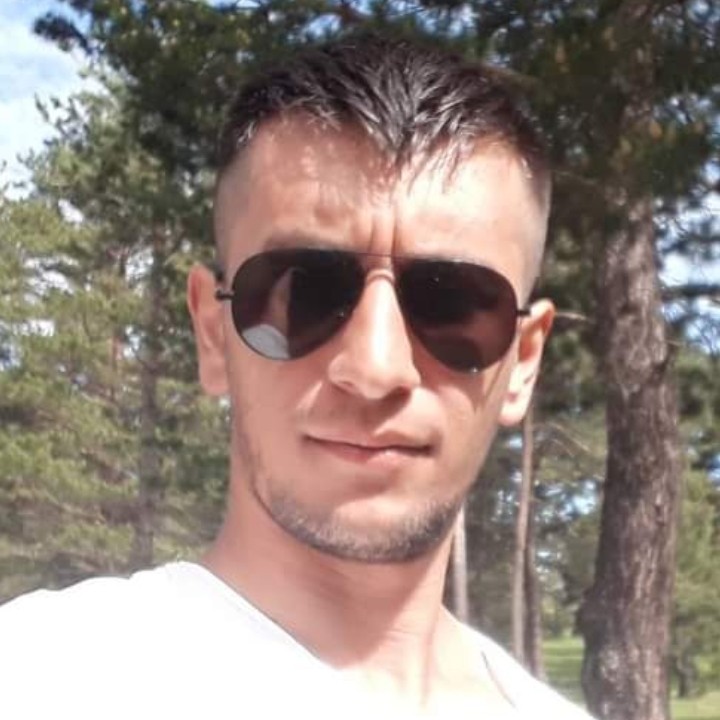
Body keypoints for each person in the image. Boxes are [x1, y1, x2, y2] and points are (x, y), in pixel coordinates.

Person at [0, 32, 591, 719]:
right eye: (303, 291)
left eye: (452, 302)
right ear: (212, 333)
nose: (374, 368)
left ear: (523, 361)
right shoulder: (37, 677)